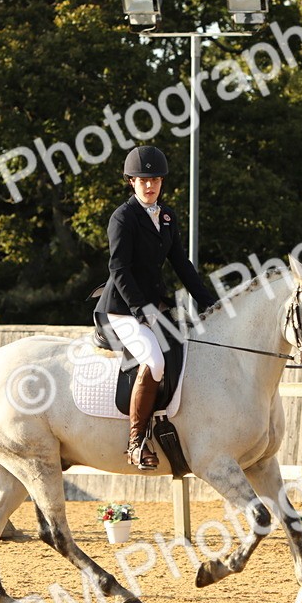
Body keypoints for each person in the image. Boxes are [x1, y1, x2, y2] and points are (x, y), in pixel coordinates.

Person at [94, 145, 216, 471]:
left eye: (155, 180)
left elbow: (182, 265)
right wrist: (140, 309)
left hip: (155, 306)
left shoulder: (166, 216)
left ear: (161, 182)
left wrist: (210, 303)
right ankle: (135, 443)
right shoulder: (123, 217)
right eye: (142, 180)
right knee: (155, 360)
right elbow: (119, 269)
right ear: (131, 182)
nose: (150, 186)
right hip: (121, 308)